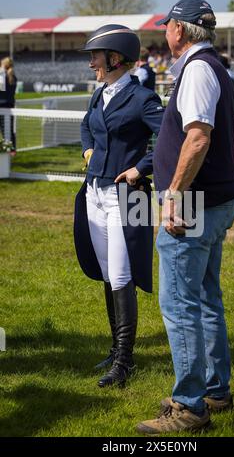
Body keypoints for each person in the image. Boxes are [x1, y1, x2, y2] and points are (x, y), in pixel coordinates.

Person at [137, 0, 234, 434]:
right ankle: (215, 390)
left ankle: (190, 406)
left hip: (194, 202)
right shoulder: (213, 66)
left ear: (179, 30)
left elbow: (197, 138)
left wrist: (174, 196)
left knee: (179, 304)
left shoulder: (198, 69)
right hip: (215, 198)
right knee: (204, 299)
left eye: (168, 27)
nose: (165, 33)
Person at [74, 24, 164, 388]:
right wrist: (88, 150)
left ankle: (125, 361)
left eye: (95, 56)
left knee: (123, 273)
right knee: (109, 272)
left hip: (124, 196)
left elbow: (169, 140)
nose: (91, 62)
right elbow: (86, 127)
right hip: (94, 191)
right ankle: (116, 348)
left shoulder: (143, 99)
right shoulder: (100, 95)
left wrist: (139, 167)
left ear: (114, 58)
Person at [0, 57, 17, 151]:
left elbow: (0, 91)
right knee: (8, 130)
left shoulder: (2, 75)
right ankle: (11, 151)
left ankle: (8, 151)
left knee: (5, 130)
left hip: (1, 106)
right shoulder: (13, 76)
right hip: (10, 105)